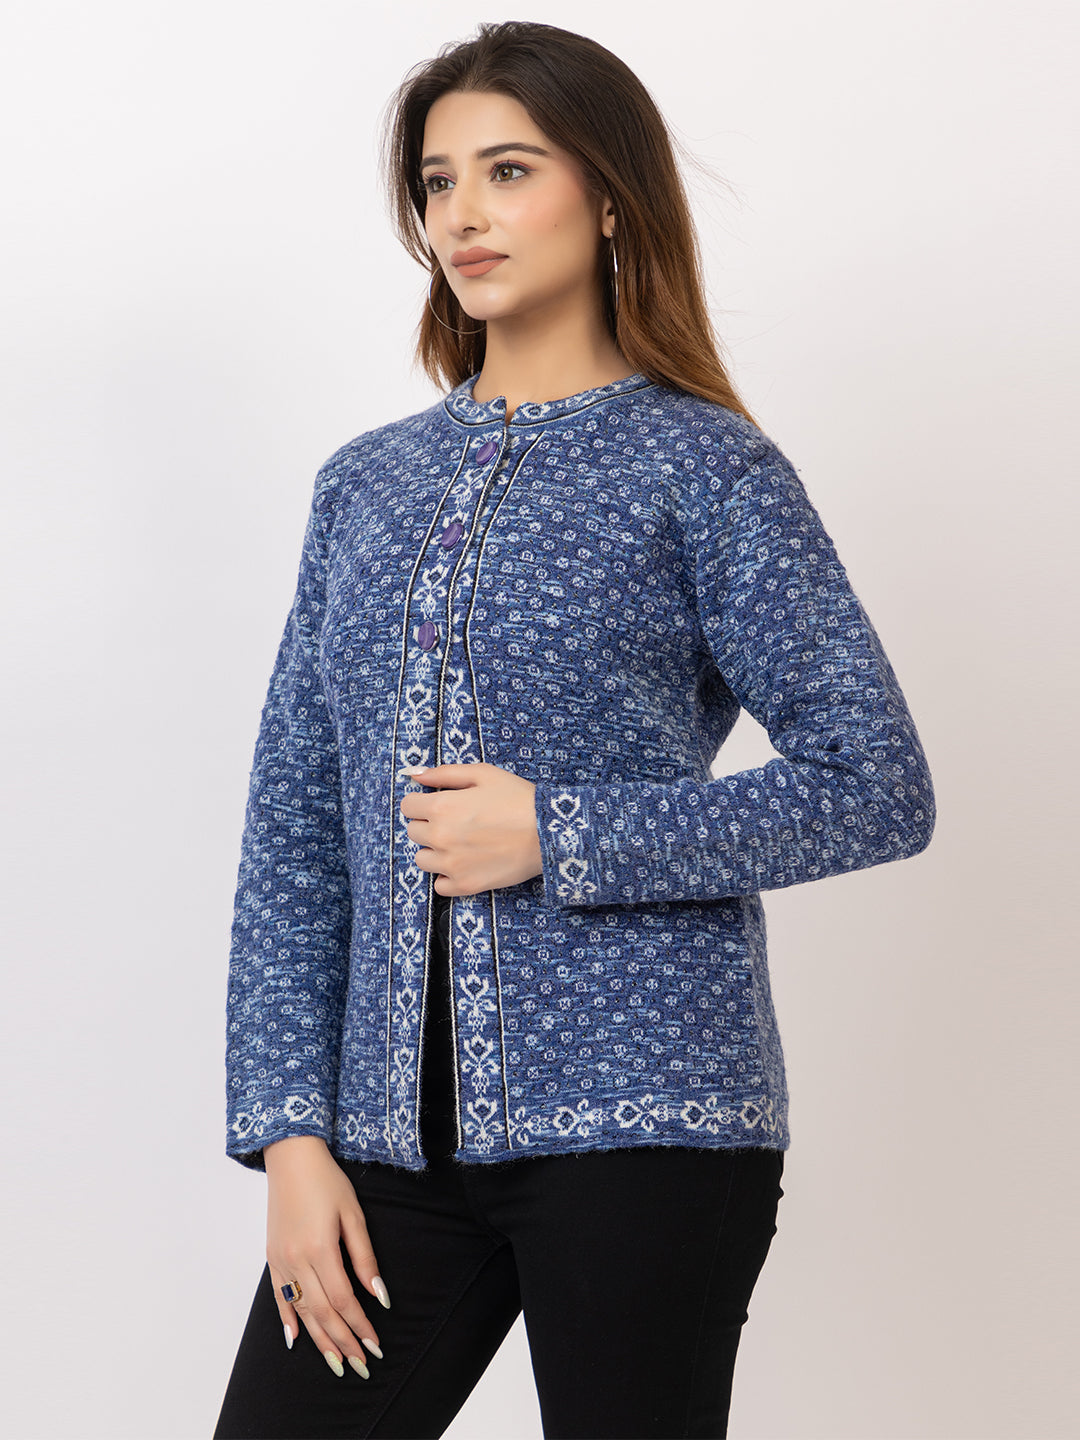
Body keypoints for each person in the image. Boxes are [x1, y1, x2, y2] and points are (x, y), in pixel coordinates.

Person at [212, 20, 936, 1440]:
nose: (462, 215)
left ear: (609, 197)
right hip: (385, 1142)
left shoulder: (706, 467)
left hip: (648, 1119)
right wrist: (290, 1136)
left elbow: (874, 782)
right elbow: (295, 825)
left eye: (509, 170)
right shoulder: (365, 486)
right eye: (438, 182)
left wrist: (562, 831)